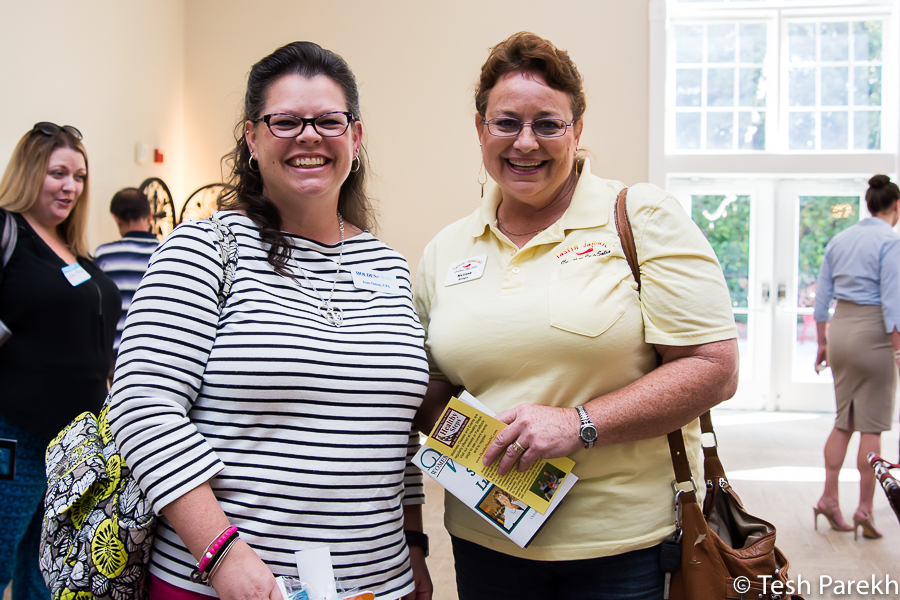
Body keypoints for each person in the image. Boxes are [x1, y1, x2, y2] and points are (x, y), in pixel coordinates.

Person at [413, 32, 739, 600]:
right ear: (481, 129)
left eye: (548, 124)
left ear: (577, 130)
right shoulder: (446, 249)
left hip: (622, 546)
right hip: (486, 536)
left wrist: (578, 423)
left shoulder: (641, 216)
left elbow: (714, 367)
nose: (526, 143)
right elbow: (432, 389)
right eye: (506, 123)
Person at [107, 42, 432, 600]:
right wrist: (222, 556)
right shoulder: (205, 248)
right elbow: (143, 407)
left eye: (328, 121)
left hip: (379, 583)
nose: (309, 136)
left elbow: (394, 435)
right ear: (252, 139)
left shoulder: (389, 266)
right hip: (229, 584)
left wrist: (415, 545)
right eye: (285, 122)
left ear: (355, 137)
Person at [0, 123, 120, 600]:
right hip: (17, 432)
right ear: (30, 173)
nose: (71, 186)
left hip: (72, 446)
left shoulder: (75, 251)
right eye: (58, 173)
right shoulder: (9, 232)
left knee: (45, 574)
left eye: (79, 177)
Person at [813, 174, 900, 540]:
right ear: (896, 207)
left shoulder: (840, 239)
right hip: (874, 332)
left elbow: (821, 299)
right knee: (871, 426)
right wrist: (898, 348)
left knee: (843, 420)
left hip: (841, 329)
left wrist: (822, 343)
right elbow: (892, 301)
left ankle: (828, 498)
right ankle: (865, 509)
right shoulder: (890, 241)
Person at [94, 187, 159, 355]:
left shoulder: (104, 255)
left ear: (116, 218)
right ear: (150, 215)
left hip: (115, 352)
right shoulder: (166, 252)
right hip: (154, 352)